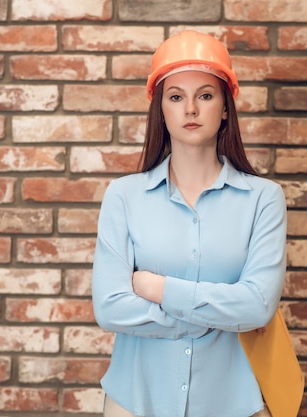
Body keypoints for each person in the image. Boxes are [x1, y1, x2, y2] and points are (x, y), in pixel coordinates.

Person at [91, 30, 287, 417]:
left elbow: (258, 305)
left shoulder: (264, 199)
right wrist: (214, 318)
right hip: (135, 402)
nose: (191, 109)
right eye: (176, 96)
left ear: (226, 107)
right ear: (161, 109)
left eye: (206, 95)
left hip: (235, 404)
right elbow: (111, 308)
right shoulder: (124, 196)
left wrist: (156, 287)